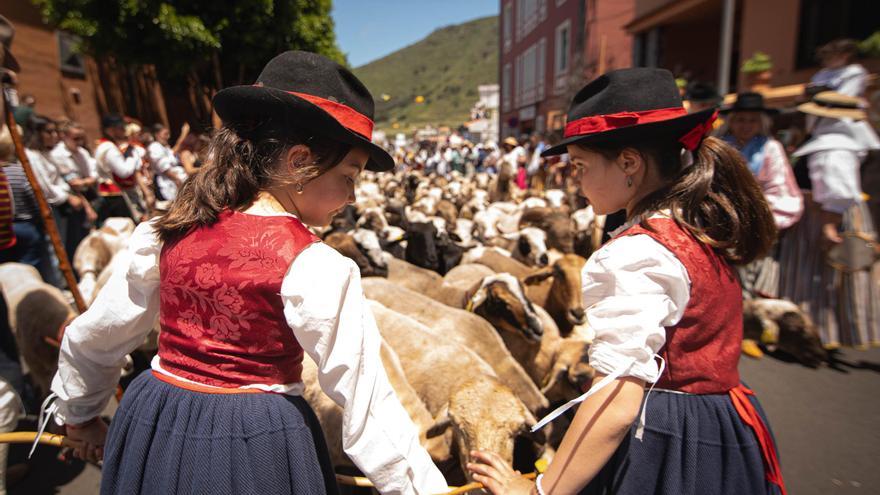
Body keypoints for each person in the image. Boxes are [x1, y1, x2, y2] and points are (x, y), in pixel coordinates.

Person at [47, 50, 448, 495]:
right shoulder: (315, 265)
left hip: (153, 420)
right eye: (350, 176)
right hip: (251, 447)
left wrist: (79, 416)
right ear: (299, 162)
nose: (351, 197)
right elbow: (369, 407)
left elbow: (96, 335)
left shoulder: (166, 231)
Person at [467, 68, 785, 495]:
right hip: (724, 428)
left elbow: (617, 395)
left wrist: (541, 490)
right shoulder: (695, 230)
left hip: (668, 447)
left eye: (580, 165)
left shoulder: (637, 253)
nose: (576, 182)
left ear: (629, 163)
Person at [779, 91, 880, 348]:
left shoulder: (832, 149)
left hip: (823, 216)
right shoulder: (837, 145)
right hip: (825, 213)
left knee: (818, 277)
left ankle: (819, 333)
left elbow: (837, 191)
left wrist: (828, 224)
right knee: (820, 277)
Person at [720, 92, 803, 300]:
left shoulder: (770, 148)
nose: (746, 125)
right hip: (721, 220)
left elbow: (779, 186)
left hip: (756, 220)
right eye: (740, 120)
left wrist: (755, 210)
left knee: (750, 275)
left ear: (761, 122)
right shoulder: (720, 145)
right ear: (731, 122)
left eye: (752, 120)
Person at [24, 115, 96, 261]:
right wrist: (68, 197)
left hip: (65, 204)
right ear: (37, 133)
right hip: (53, 207)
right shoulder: (31, 156)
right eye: (49, 132)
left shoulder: (47, 154)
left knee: (73, 244)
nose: (54, 136)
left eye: (55, 131)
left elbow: (63, 178)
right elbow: (44, 186)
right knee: (59, 247)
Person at [94, 114, 147, 223]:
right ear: (110, 130)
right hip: (114, 194)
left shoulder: (106, 145)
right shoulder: (109, 148)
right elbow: (124, 172)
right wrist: (132, 155)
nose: (124, 130)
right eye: (120, 127)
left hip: (114, 193)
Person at [146, 123, 188, 201]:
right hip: (166, 184)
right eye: (165, 134)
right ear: (157, 135)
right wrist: (178, 181)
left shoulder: (164, 147)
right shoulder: (154, 147)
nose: (168, 137)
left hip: (176, 181)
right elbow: (164, 168)